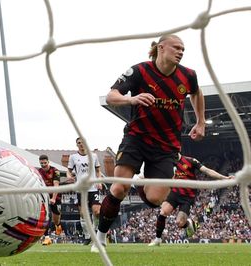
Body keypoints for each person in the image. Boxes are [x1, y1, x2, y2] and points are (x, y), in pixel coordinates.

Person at [92, 34, 205, 252]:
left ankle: (142, 181)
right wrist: (131, 99)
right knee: (118, 188)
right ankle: (101, 237)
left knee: (155, 200)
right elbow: (111, 96)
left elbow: (197, 93)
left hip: (167, 146)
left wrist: (200, 122)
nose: (181, 52)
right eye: (176, 48)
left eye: (183, 49)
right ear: (161, 48)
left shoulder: (188, 75)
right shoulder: (139, 71)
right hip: (136, 138)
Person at [148, 154, 235, 246]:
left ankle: (189, 223)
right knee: (163, 212)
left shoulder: (190, 161)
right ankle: (158, 239)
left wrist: (224, 178)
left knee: (179, 223)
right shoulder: (169, 163)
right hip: (174, 193)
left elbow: (207, 171)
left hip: (187, 196)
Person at [67, 137, 102, 245]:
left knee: (97, 212)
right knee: (83, 214)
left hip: (93, 188)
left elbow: (98, 170)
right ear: (76, 145)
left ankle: (95, 232)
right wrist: (69, 177)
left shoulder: (94, 156)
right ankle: (87, 236)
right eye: (79, 143)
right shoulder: (73, 157)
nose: (81, 144)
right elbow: (69, 170)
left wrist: (99, 181)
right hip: (81, 189)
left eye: (83, 143)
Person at [38, 154, 62, 245]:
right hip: (44, 196)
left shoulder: (55, 171)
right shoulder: (38, 172)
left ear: (48, 162)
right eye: (41, 163)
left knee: (56, 218)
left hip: (55, 196)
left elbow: (56, 185)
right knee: (46, 217)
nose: (43, 165)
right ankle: (47, 237)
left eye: (45, 163)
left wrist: (54, 198)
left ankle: (58, 225)